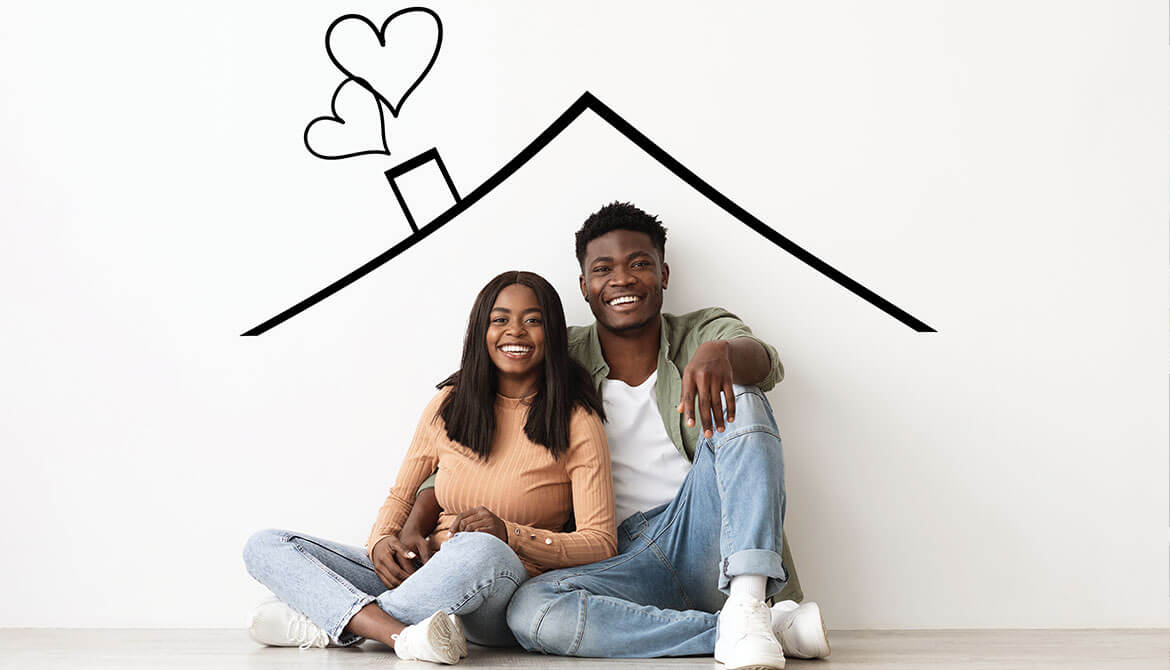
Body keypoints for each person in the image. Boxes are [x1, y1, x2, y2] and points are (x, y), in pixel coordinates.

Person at [405, 203, 831, 669]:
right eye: (603, 269)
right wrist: (413, 523)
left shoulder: (700, 332)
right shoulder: (556, 356)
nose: (622, 280)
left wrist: (722, 353)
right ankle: (758, 630)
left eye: (640, 264)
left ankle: (749, 601)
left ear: (663, 274)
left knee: (743, 395)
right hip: (613, 557)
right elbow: (467, 447)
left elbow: (765, 361)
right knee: (532, 612)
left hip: (705, 531)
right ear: (584, 286)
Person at [242, 271, 616, 664]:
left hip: (498, 592)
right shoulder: (449, 404)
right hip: (423, 574)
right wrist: (383, 542)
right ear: (481, 331)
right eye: (500, 319)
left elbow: (602, 542)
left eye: (533, 320)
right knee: (266, 545)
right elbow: (401, 494)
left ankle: (336, 621)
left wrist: (511, 534)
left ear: (552, 333)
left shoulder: (577, 419)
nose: (516, 332)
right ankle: (403, 635)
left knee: (479, 547)